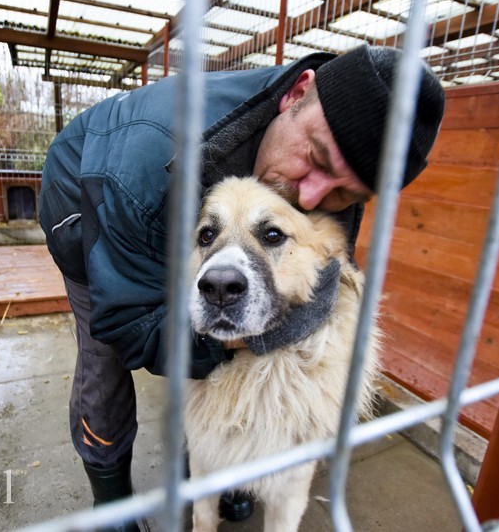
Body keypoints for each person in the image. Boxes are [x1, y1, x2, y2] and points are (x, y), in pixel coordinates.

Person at [39, 44, 445, 531]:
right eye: (313, 157)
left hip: (184, 207)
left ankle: (217, 469)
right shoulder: (144, 164)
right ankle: (110, 499)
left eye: (344, 193)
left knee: (215, 328)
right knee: (105, 357)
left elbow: (326, 261)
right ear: (297, 94)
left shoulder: (339, 148)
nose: (312, 196)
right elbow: (126, 322)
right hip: (89, 198)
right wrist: (252, 334)